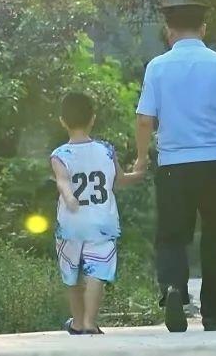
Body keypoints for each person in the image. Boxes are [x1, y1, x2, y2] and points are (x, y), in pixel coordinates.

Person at [133, 2, 216, 333]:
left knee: (172, 236)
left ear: (168, 31)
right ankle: (212, 315)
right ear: (203, 29)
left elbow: (145, 119)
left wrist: (142, 158)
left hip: (173, 167)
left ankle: (174, 289)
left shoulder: (157, 67)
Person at [50, 92, 147, 335]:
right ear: (92, 119)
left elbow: (62, 181)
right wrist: (138, 173)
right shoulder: (106, 150)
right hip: (102, 222)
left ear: (62, 121)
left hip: (71, 223)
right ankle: (90, 323)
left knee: (72, 273)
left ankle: (76, 322)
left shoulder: (59, 155)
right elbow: (119, 180)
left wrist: (69, 197)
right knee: (97, 272)